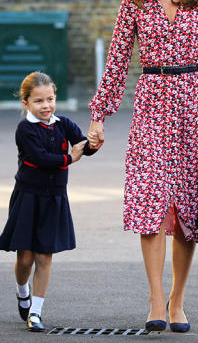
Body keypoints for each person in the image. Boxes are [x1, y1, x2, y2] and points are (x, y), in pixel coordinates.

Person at [87, 0, 198, 333]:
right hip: (151, 105)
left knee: (188, 208)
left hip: (190, 106)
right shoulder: (134, 0)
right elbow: (116, 65)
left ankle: (177, 301)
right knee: (150, 202)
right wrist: (99, 116)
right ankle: (155, 299)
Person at [0, 72, 99, 332]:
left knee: (44, 256)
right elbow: (39, 159)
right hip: (29, 197)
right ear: (26, 103)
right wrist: (70, 158)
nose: (46, 106)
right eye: (39, 101)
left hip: (54, 198)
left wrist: (93, 144)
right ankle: (23, 291)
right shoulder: (25, 129)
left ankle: (36, 312)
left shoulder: (63, 123)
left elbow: (82, 145)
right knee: (25, 259)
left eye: (51, 99)